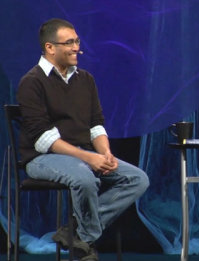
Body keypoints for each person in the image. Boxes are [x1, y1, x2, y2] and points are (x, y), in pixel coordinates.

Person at [17, 18, 149, 261]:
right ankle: (84, 244)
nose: (77, 47)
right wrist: (89, 157)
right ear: (50, 47)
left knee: (137, 179)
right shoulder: (32, 82)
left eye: (77, 41)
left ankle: (76, 234)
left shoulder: (85, 79)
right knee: (84, 176)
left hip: (83, 154)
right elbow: (44, 140)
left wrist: (105, 153)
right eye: (69, 42)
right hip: (43, 158)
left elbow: (96, 125)